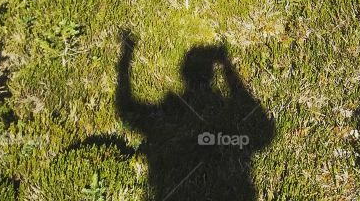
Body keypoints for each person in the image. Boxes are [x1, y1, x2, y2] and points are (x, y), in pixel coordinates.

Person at [116, 29, 275, 200]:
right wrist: (227, 67)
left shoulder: (170, 119)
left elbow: (127, 111)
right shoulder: (196, 117)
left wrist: (126, 59)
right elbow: (263, 134)